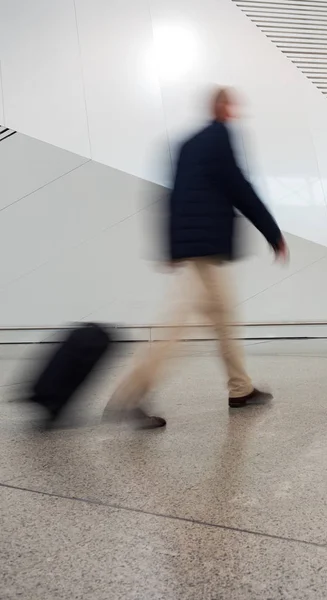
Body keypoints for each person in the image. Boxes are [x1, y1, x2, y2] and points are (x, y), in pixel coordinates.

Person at [105, 87, 287, 429]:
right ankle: (128, 396)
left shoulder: (188, 144)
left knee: (224, 317)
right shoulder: (219, 137)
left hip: (197, 247)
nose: (235, 111)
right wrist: (272, 232)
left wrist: (173, 248)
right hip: (206, 248)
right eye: (232, 104)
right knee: (177, 327)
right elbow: (239, 188)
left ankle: (240, 388)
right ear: (223, 107)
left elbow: (172, 197)